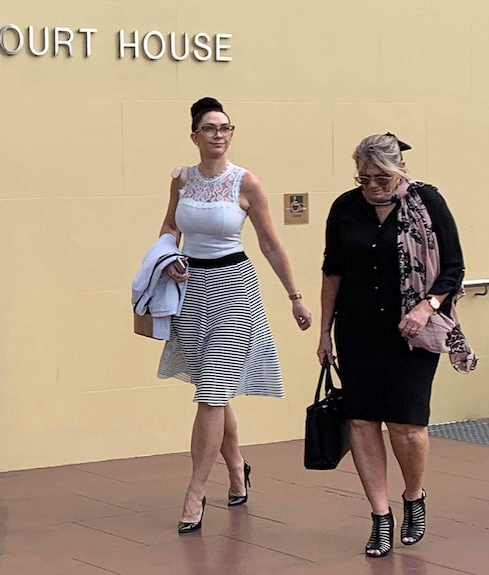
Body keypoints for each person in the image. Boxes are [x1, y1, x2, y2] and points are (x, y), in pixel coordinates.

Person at [157, 97, 312, 534]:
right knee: (216, 392)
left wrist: (295, 296)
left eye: (225, 128)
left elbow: (269, 242)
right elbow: (170, 226)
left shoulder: (246, 183)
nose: (218, 135)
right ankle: (238, 467)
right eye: (209, 128)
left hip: (234, 291)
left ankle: (194, 492)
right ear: (194, 135)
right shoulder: (181, 179)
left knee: (210, 393)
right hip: (192, 289)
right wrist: (168, 254)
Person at [317, 133, 470, 557]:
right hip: (357, 329)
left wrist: (427, 306)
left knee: (408, 426)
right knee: (363, 421)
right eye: (363, 178)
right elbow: (332, 272)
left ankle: (414, 496)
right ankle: (380, 517)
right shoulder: (345, 208)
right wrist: (325, 331)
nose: (371, 186)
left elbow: (453, 267)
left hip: (411, 333)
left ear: (399, 170)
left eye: (380, 178)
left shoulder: (427, 203)